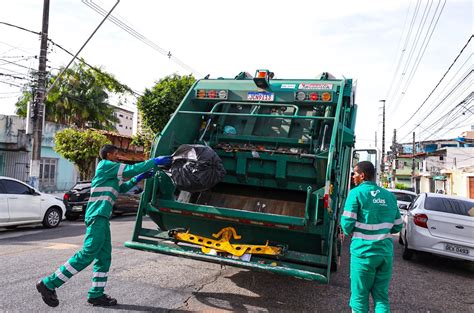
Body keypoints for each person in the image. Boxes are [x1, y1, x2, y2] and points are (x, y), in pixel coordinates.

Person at [36, 144, 172, 307]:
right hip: (97, 215)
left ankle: (96, 294)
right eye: (115, 154)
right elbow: (130, 169)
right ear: (107, 155)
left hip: (102, 217)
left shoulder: (110, 174)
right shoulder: (105, 165)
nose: (118, 157)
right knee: (88, 254)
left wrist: (139, 178)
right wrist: (154, 161)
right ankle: (49, 284)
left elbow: (121, 188)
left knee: (104, 257)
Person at [341, 161, 402, 313]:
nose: (353, 177)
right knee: (381, 297)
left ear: (362, 175)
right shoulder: (389, 196)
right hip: (384, 255)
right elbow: (398, 226)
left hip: (363, 254)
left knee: (360, 297)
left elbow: (347, 226)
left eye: (354, 173)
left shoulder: (356, 193)